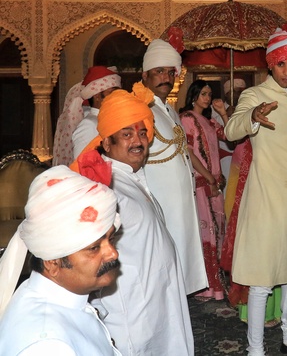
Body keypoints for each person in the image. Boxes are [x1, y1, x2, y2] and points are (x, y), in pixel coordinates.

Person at [224, 20, 287, 356]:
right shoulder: (255, 95)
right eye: (280, 64)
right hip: (266, 199)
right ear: (271, 64)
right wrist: (253, 115)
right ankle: (256, 349)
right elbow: (231, 130)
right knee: (262, 278)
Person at [72, 89, 194, 355]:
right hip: (132, 316)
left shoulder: (131, 178)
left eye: (141, 133)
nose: (137, 141)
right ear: (106, 143)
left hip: (158, 302)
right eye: (126, 134)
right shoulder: (106, 188)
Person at [0, 166, 122, 355]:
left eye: (111, 239)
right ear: (52, 262)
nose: (113, 253)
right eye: (94, 248)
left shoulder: (63, 298)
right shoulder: (47, 346)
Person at [134, 38, 207, 295]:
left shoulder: (168, 109)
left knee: (180, 267)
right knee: (162, 272)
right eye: (159, 72)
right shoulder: (138, 108)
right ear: (145, 75)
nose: (166, 77)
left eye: (170, 72)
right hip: (159, 203)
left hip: (181, 204)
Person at [180, 80, 228, 300]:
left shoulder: (208, 121)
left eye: (210, 94)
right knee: (206, 232)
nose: (207, 98)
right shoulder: (187, 119)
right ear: (194, 95)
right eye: (204, 94)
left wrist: (222, 112)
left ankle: (215, 285)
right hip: (202, 183)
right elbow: (189, 153)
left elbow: (229, 135)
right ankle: (204, 286)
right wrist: (209, 177)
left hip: (214, 183)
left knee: (217, 230)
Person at [53, 66, 121, 166]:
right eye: (112, 93)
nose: (117, 97)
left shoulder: (105, 120)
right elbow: (82, 166)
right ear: (97, 96)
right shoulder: (89, 125)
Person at [213, 78, 248, 195]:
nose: (240, 94)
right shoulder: (216, 108)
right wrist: (225, 115)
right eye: (237, 91)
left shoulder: (246, 108)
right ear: (228, 93)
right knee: (228, 190)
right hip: (226, 157)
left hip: (244, 156)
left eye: (242, 91)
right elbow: (215, 129)